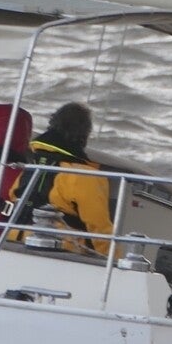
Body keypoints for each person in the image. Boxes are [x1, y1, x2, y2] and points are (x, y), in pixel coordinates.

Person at [11, 101, 114, 255]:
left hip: (14, 240)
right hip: (62, 249)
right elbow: (99, 228)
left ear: (52, 125)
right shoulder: (85, 176)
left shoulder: (29, 167)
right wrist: (112, 260)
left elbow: (13, 196)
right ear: (84, 136)